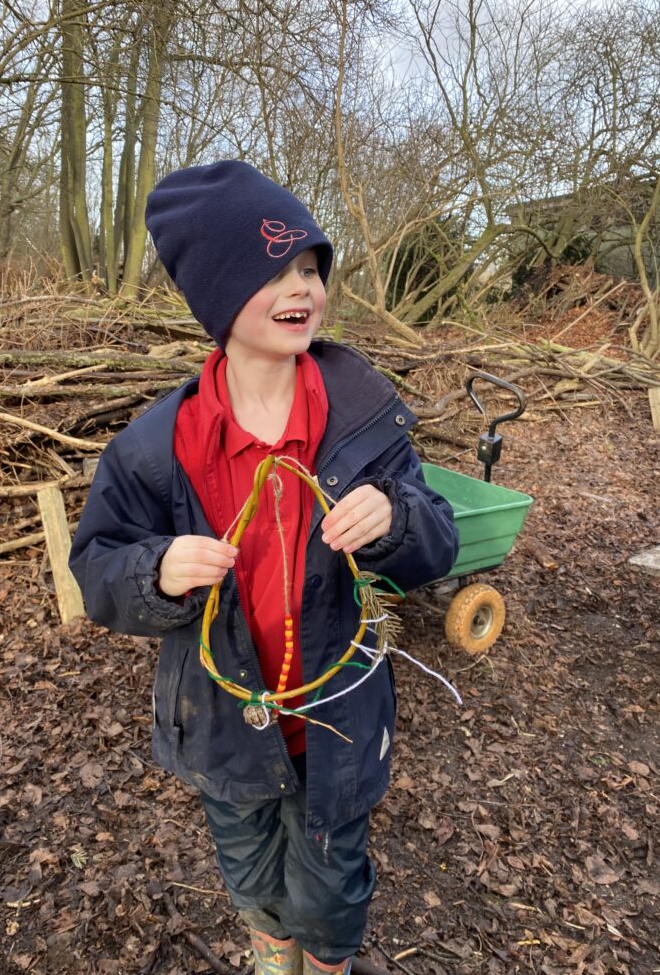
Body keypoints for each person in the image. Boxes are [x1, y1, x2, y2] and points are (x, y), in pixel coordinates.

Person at [69, 161, 460, 975]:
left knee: (331, 882)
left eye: (311, 268)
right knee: (249, 870)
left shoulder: (362, 419)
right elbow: (97, 567)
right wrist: (158, 569)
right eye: (274, 269)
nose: (302, 288)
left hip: (340, 720)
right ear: (217, 292)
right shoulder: (155, 449)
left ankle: (326, 961)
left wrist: (393, 520)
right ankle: (269, 953)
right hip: (222, 722)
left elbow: (439, 537)